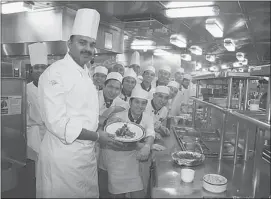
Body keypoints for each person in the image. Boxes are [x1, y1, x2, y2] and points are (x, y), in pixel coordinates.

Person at [37, 8, 123, 198]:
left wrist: (98, 132)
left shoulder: (84, 73)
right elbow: (59, 124)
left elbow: (84, 114)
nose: (88, 49)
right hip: (63, 159)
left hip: (85, 156)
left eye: (92, 44)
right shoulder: (55, 73)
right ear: (69, 43)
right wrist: (97, 136)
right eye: (82, 42)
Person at [103, 87, 155, 198]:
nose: (140, 106)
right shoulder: (119, 116)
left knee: (138, 191)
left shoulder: (148, 117)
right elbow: (111, 135)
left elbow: (150, 133)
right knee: (117, 194)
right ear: (130, 102)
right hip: (116, 160)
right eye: (137, 102)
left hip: (133, 161)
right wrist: (111, 123)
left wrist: (147, 146)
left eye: (143, 103)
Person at [26, 42, 48, 170]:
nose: (40, 70)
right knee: (35, 167)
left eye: (43, 67)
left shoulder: (53, 89)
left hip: (51, 134)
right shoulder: (25, 89)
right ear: (31, 69)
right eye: (37, 67)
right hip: (34, 134)